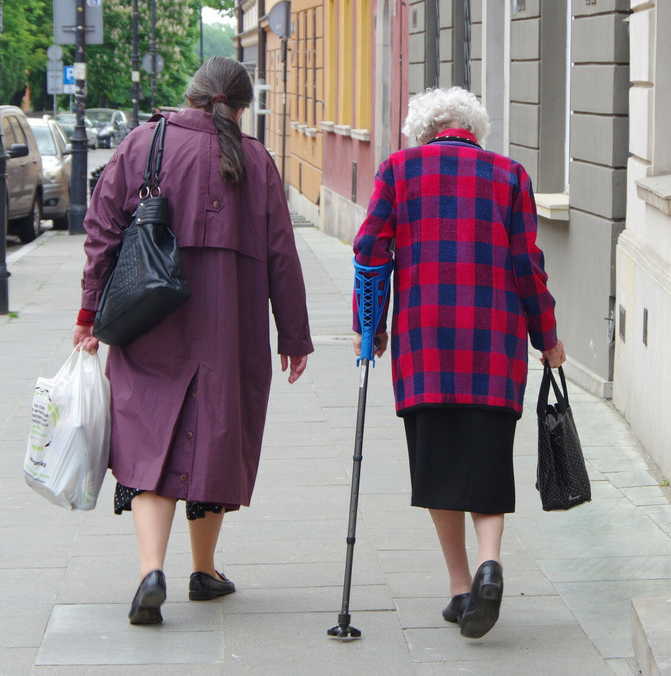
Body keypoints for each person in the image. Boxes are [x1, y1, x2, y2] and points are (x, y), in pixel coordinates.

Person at [73, 56, 313, 625]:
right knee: (214, 433)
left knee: (150, 432)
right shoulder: (257, 160)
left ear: (194, 94)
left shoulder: (142, 144)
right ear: (241, 105)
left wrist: (88, 313)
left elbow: (102, 232)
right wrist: (295, 334)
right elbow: (283, 252)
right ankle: (203, 570)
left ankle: (150, 569)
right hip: (231, 322)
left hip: (150, 315)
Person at [352, 87, 565, 639]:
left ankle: (460, 585)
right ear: (475, 130)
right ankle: (489, 562)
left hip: (424, 347)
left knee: (438, 468)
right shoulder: (510, 175)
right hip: (494, 348)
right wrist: (548, 337)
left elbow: (369, 249)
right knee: (488, 460)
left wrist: (369, 325)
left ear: (423, 132)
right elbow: (528, 266)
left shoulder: (398, 170)